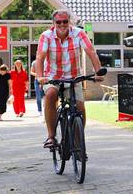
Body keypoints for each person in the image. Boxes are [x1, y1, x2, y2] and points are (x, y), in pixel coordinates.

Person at [35, 10, 104, 149]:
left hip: (74, 78)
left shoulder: (79, 33)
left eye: (65, 21)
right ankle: (51, 137)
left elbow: (91, 51)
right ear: (53, 23)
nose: (62, 24)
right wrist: (40, 76)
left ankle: (78, 141)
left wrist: (98, 72)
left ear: (70, 22)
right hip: (52, 78)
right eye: (58, 22)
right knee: (50, 95)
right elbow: (40, 57)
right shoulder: (46, 36)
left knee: (79, 107)